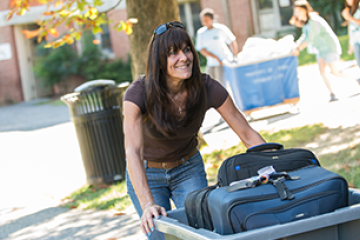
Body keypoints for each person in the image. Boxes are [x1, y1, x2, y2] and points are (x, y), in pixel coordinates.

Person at [123, 21, 266, 239]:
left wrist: (273, 168)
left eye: (187, 49)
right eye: (173, 53)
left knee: (200, 233)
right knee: (160, 236)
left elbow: (247, 134)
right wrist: (147, 204)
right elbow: (132, 151)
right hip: (147, 173)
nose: (184, 57)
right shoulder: (138, 94)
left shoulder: (207, 87)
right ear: (160, 61)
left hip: (187, 168)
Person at [290, 0, 350, 102]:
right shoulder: (306, 23)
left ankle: (356, 79)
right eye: (295, 12)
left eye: (298, 11)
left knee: (335, 72)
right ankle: (332, 93)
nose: (297, 14)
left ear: (304, 10)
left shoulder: (313, 20)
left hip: (329, 47)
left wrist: (299, 48)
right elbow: (305, 36)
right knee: (322, 71)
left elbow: (310, 38)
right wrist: (295, 45)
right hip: (320, 49)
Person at [195, 8, 238, 86]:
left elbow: (232, 41)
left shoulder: (221, 29)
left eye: (206, 20)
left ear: (212, 19)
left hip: (223, 62)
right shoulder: (201, 33)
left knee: (221, 85)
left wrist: (235, 56)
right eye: (203, 21)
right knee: (208, 84)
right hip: (211, 62)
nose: (204, 22)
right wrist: (216, 58)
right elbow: (202, 49)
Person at [342, 0, 360, 69]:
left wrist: (349, 17)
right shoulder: (350, 10)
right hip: (356, 39)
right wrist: (350, 43)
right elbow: (350, 28)